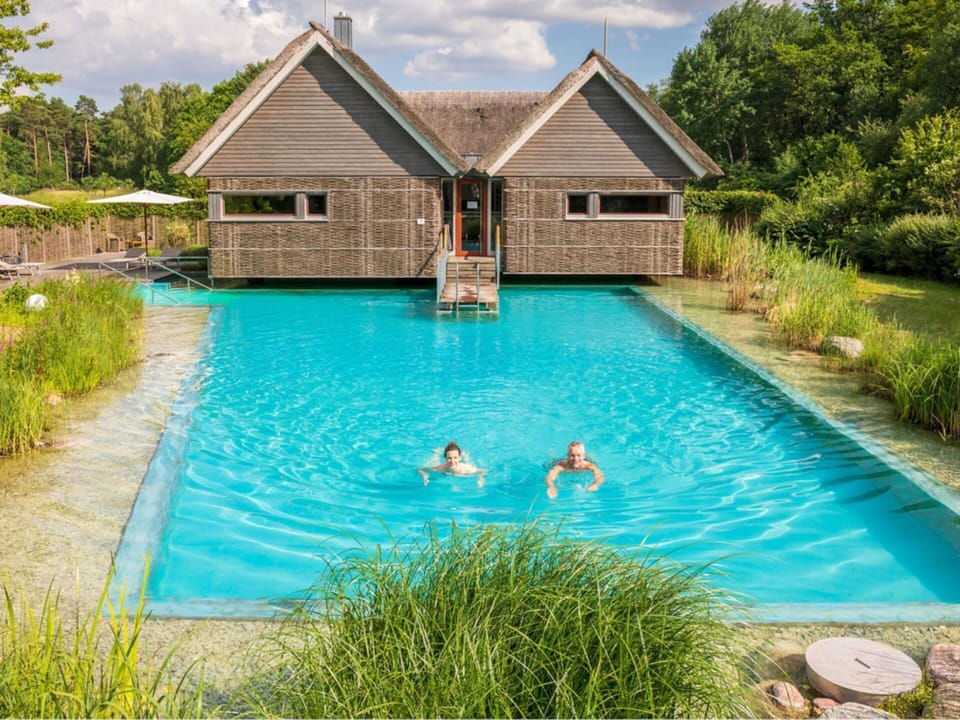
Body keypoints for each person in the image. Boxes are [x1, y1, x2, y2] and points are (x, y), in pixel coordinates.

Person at [419, 441, 486, 488]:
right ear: (445, 458)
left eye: (455, 458)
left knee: (467, 461)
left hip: (461, 465)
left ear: (459, 457)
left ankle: (465, 455)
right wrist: (424, 476)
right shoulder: (441, 468)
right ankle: (437, 453)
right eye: (449, 458)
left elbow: (482, 471)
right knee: (434, 461)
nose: (452, 461)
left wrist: (480, 479)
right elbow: (421, 469)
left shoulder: (466, 469)